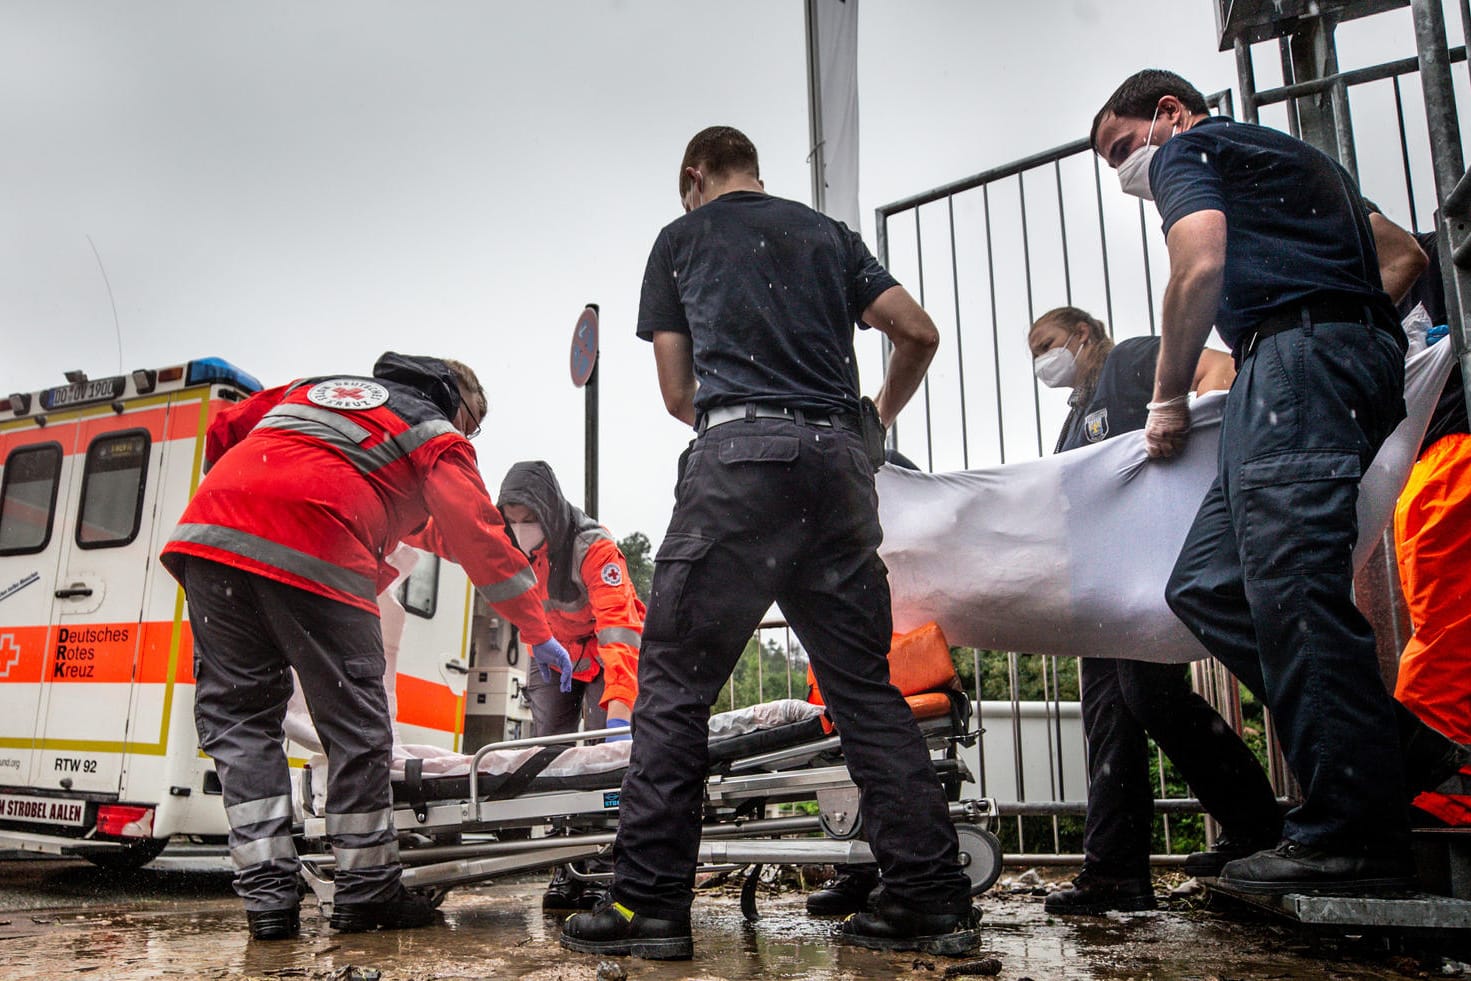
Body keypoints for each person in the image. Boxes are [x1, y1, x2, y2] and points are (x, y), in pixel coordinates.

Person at [560, 125, 977, 959]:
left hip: (738, 463)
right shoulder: (826, 236)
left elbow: (680, 395)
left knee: (675, 688)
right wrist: (874, 420)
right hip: (836, 469)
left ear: (692, 177)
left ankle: (648, 908)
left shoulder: (680, 239)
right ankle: (931, 899)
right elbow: (919, 332)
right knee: (864, 690)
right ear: (753, 168)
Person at [1091, 69, 1416, 894]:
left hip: (1295, 359)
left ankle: (1348, 833)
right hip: (1305, 358)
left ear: (1166, 113)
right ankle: (1381, 749)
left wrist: (1168, 394)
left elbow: (1196, 267)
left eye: (1121, 147)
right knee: (1208, 583)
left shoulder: (1189, 147)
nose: (1124, 169)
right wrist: (1346, 331)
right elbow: (1402, 256)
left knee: (1293, 588)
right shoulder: (1291, 157)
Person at [160, 353, 572, 940]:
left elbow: (223, 429)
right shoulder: (433, 431)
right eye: (472, 421)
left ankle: (269, 903)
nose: (468, 433)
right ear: (452, 398)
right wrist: (537, 630)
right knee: (355, 729)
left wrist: (254, 498)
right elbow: (479, 536)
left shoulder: (314, 388)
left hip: (212, 541)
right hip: (318, 543)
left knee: (242, 723)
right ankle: (366, 892)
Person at [1026, 307, 1282, 915]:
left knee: (1148, 693)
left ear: (1083, 334)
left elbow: (1218, 372)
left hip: (1148, 567)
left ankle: (1256, 826)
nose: (1040, 360)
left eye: (1047, 344)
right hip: (1101, 581)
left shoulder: (1133, 360)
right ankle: (1115, 870)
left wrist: (1190, 456)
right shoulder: (1075, 414)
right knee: (1108, 714)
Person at [497, 460, 645, 909]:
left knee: (600, 760)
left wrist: (619, 712)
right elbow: (513, 599)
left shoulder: (593, 549)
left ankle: (600, 865)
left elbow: (619, 630)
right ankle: (565, 865)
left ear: (550, 512)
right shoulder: (506, 544)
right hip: (553, 653)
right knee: (552, 757)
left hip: (604, 653)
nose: (520, 531)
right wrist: (538, 644)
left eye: (530, 521)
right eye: (513, 521)